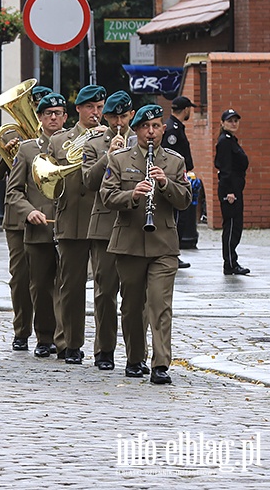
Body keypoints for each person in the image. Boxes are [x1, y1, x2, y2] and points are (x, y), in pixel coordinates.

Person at [100, 104, 191, 384]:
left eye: (156, 127)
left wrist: (165, 185)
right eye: (145, 127)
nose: (151, 132)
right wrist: (133, 195)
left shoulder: (174, 162)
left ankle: (160, 364)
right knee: (131, 305)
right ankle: (135, 357)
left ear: (163, 129)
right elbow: (107, 197)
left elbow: (185, 200)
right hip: (128, 241)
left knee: (159, 305)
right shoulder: (119, 159)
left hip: (163, 243)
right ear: (137, 129)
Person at [0, 84, 52, 352]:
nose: (37, 111)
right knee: (21, 277)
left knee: (49, 279)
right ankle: (22, 330)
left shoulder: (61, 138)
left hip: (49, 213)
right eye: (34, 105)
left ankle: (51, 334)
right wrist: (7, 154)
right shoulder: (12, 134)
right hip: (18, 218)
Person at [48, 84, 106, 365]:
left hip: (103, 219)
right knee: (71, 286)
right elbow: (47, 179)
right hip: (71, 217)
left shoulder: (112, 139)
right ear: (79, 110)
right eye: (90, 108)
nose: (96, 113)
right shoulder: (60, 141)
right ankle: (71, 343)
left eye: (99, 107)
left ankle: (103, 348)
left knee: (104, 287)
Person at [6, 92, 67, 358]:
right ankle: (44, 336)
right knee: (40, 285)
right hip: (39, 227)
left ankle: (65, 338)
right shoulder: (28, 149)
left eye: (58, 113)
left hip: (68, 225)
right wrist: (29, 212)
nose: (53, 117)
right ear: (40, 118)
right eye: (48, 113)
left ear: (65, 117)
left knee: (67, 285)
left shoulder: (73, 145)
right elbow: (13, 192)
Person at [81, 90, 135, 371]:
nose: (118, 122)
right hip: (103, 224)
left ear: (131, 116)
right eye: (113, 116)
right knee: (104, 292)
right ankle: (104, 350)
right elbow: (88, 180)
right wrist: (109, 156)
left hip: (135, 225)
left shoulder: (142, 141)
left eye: (123, 116)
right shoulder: (93, 143)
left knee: (135, 294)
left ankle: (136, 353)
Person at [215, 109, 250, 275]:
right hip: (230, 190)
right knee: (231, 227)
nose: (233, 123)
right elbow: (225, 168)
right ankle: (229, 263)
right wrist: (229, 192)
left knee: (236, 225)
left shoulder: (231, 140)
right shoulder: (225, 141)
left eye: (236, 120)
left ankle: (232, 261)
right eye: (230, 121)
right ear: (222, 123)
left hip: (235, 188)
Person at [163, 95, 196, 267]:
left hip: (179, 178)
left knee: (180, 219)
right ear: (185, 110)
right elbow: (170, 157)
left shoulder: (175, 127)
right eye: (189, 108)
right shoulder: (172, 130)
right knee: (176, 220)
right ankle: (171, 254)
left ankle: (174, 253)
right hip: (174, 180)